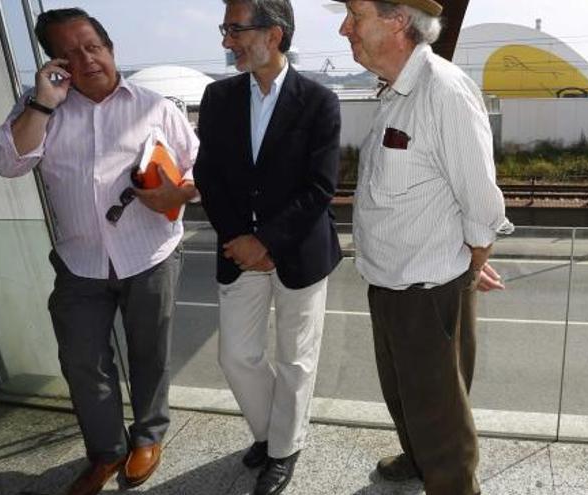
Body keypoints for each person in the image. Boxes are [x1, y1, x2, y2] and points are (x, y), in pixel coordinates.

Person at [0, 8, 198, 495]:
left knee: (150, 353)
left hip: (150, 254)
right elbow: (8, 163)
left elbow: (196, 170)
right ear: (54, 62)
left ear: (110, 49)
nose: (86, 60)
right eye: (70, 52)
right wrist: (43, 104)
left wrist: (177, 193)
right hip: (79, 262)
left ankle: (149, 435)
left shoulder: (156, 106)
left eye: (93, 46)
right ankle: (106, 451)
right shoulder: (39, 108)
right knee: (83, 360)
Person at [336, 1, 512, 494]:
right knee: (403, 392)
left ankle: (451, 483)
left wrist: (470, 265)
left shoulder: (444, 90)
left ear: (397, 20)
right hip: (388, 281)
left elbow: (479, 199)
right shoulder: (396, 91)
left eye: (355, 14)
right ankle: (417, 459)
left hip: (427, 289)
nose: (344, 27)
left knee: (441, 416)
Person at [193, 1, 341, 494]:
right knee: (236, 357)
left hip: (299, 250)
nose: (226, 41)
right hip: (239, 250)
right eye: (226, 29)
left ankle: (283, 449)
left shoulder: (320, 100)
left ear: (273, 35)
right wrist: (243, 241)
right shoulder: (217, 97)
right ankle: (270, 431)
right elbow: (207, 175)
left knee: (297, 360)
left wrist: (268, 240)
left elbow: (319, 188)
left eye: (235, 30)